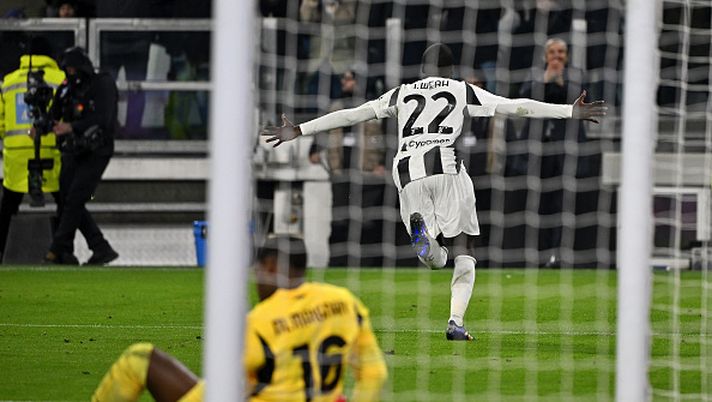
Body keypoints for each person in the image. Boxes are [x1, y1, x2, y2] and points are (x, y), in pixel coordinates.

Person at [261, 43, 607, 341]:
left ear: (422, 70)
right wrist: (568, 111)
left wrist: (301, 129)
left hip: (405, 171)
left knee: (433, 259)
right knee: (466, 246)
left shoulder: (401, 92)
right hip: (445, 163)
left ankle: (428, 249)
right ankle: (455, 321)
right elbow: (515, 105)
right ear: (451, 69)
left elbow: (353, 115)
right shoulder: (461, 89)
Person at [91, 235, 388, 402]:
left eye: (258, 272)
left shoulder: (260, 321)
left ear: (270, 267)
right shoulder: (344, 303)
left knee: (139, 359)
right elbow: (375, 376)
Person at [42, 47, 118, 265]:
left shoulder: (101, 84)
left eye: (74, 68)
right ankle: (98, 247)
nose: (71, 73)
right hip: (74, 150)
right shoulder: (67, 88)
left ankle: (56, 249)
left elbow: (103, 119)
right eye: (68, 69)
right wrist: (43, 127)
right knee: (67, 198)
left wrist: (71, 126)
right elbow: (54, 113)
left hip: (97, 150)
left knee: (75, 198)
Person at [518, 37, 589, 268]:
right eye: (553, 53)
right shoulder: (534, 75)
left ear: (567, 55)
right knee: (538, 204)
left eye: (561, 52)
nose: (557, 57)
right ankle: (537, 254)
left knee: (562, 205)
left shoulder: (575, 75)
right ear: (545, 55)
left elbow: (582, 104)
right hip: (538, 150)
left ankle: (557, 255)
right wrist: (546, 79)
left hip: (565, 149)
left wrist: (559, 81)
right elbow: (521, 100)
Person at [0, 38, 64, 262]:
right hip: (51, 151)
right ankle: (62, 251)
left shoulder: (8, 81)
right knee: (62, 201)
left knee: (8, 205)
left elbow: (1, 121)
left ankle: (0, 250)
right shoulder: (60, 80)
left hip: (16, 153)